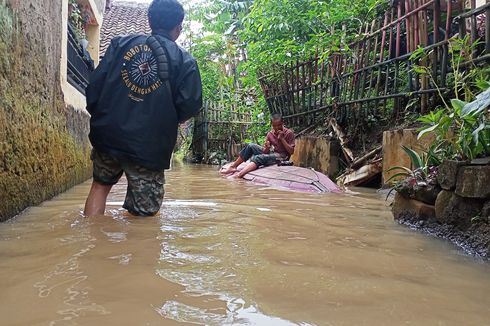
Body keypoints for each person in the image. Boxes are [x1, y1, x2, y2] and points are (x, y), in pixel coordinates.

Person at [84, 0, 202, 217]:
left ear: (150, 20)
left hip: (109, 136)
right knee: (144, 215)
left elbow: (94, 88)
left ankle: (90, 242)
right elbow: (190, 105)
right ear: (179, 27)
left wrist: (102, 119)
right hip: (149, 145)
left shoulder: (120, 45)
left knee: (100, 187)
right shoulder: (185, 62)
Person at [219, 113, 295, 178]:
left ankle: (239, 175)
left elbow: (291, 152)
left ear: (282, 123)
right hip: (273, 154)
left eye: (279, 125)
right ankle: (233, 167)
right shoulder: (270, 134)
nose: (277, 128)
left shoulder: (289, 133)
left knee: (258, 158)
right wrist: (267, 148)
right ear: (271, 124)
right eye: (274, 126)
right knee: (250, 146)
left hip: (283, 157)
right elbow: (265, 152)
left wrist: (282, 139)